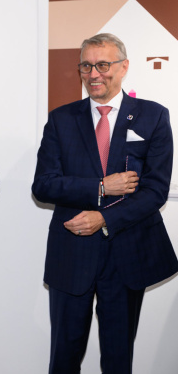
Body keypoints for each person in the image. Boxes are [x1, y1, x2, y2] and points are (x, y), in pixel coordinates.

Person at [32, 33, 178, 374]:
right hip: (72, 253)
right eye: (86, 65)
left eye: (103, 65)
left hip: (127, 254)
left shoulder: (153, 117)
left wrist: (104, 218)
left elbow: (155, 191)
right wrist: (100, 187)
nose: (94, 74)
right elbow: (44, 185)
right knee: (63, 359)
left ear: (124, 67)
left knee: (118, 360)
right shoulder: (61, 119)